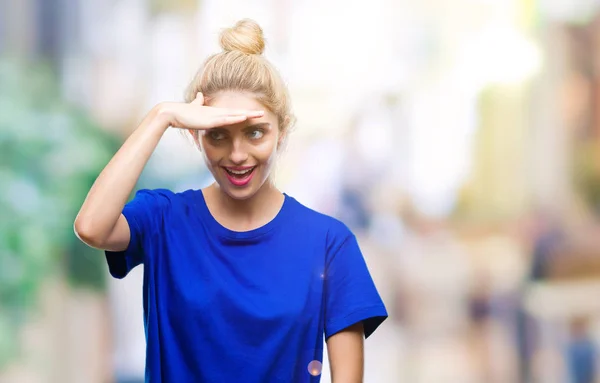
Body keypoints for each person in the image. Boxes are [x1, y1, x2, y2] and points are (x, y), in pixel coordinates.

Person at [74, 19, 387, 383]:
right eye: (218, 135)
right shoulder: (164, 219)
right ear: (195, 135)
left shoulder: (329, 243)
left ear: (282, 131)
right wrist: (161, 116)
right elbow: (91, 227)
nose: (237, 155)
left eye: (255, 133)